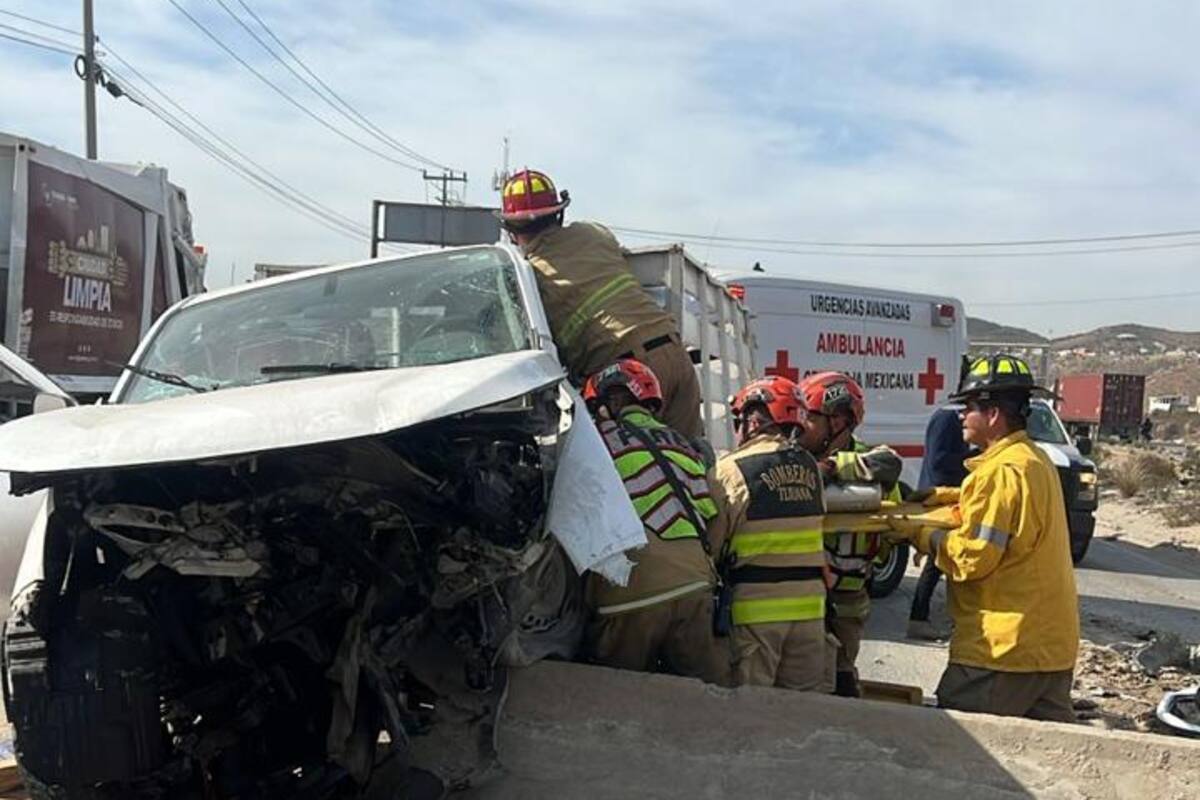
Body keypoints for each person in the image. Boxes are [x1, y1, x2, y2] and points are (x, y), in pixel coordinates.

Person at [888, 354, 1080, 721]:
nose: (960, 416)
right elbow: (1011, 515)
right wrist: (945, 497)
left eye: (969, 407)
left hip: (1000, 652)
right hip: (1050, 650)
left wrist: (921, 534)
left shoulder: (997, 474)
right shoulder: (1033, 460)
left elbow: (973, 558)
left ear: (993, 415)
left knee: (960, 754)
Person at [498, 170, 702, 439]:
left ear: (512, 231)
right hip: (676, 354)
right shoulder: (593, 233)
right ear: (558, 213)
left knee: (635, 472)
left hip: (626, 381)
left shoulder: (528, 275)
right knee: (692, 466)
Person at [582, 359, 727, 685]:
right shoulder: (688, 446)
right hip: (695, 586)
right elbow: (717, 512)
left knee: (622, 696)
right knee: (698, 696)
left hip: (631, 594)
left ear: (606, 405)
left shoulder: (593, 443)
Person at [707, 376, 831, 691]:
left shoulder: (730, 470)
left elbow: (712, 544)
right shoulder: (811, 468)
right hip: (810, 613)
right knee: (800, 712)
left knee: (751, 714)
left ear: (752, 421)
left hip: (756, 614)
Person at [795, 372, 902, 698]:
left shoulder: (869, 458)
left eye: (809, 418)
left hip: (849, 602)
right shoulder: (795, 457)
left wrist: (833, 468)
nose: (800, 427)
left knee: (841, 682)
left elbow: (889, 464)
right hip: (804, 598)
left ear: (839, 421)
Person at [906, 405, 970, 641]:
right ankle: (918, 618)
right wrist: (973, 459)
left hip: (946, 497)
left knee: (940, 562)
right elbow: (939, 462)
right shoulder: (947, 419)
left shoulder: (949, 417)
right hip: (940, 500)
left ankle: (925, 617)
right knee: (937, 561)